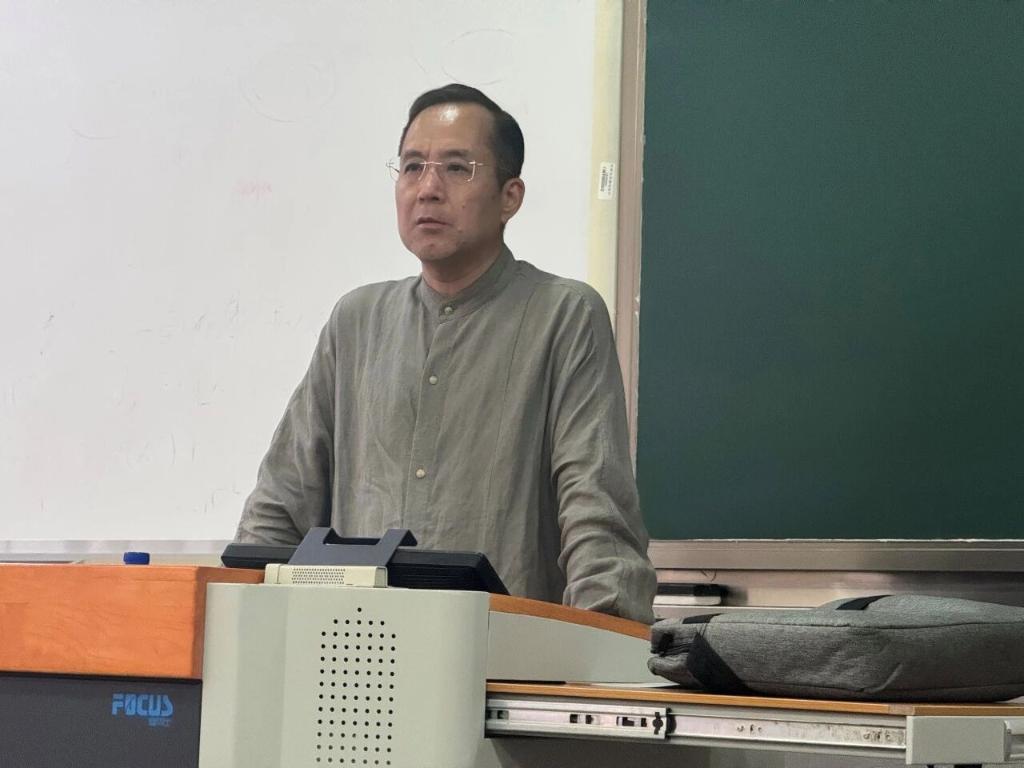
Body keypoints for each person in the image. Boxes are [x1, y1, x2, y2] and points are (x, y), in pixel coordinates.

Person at [235, 84, 657, 623]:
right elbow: (279, 506)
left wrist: (600, 652)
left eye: (457, 168)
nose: (428, 189)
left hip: (502, 651)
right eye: (413, 167)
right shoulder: (357, 321)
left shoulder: (563, 315)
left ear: (510, 197)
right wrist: (238, 620)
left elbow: (597, 513)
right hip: (349, 650)